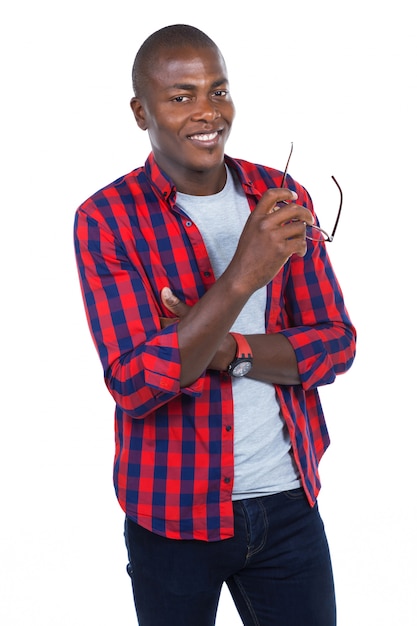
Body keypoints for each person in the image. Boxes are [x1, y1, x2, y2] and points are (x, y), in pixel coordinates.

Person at [74, 24, 356, 626]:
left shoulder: (279, 195)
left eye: (218, 91)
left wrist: (220, 346)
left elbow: (336, 343)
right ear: (139, 112)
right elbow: (137, 382)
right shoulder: (106, 220)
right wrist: (240, 278)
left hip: (288, 506)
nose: (208, 112)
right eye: (181, 97)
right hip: (171, 514)